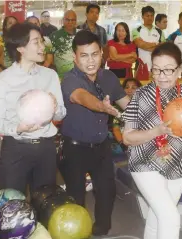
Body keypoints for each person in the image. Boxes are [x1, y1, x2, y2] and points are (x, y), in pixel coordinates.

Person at [122, 42, 182, 239]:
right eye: (157, 70)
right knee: (170, 217)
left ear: (179, 70)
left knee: (156, 218)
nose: (162, 76)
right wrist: (157, 131)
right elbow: (127, 137)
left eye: (168, 70)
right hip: (145, 164)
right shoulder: (141, 96)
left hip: (178, 165)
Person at [59, 30, 130, 236]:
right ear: (75, 57)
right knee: (76, 198)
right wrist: (102, 106)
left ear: (102, 53)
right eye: (84, 55)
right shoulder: (69, 80)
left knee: (107, 192)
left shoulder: (108, 77)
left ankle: (100, 230)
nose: (90, 61)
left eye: (95, 54)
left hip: (101, 146)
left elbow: (127, 104)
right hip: (74, 148)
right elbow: (82, 98)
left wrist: (150, 113)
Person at [0, 23, 66, 194]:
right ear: (21, 48)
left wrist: (54, 108)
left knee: (45, 204)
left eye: (42, 42)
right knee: (14, 206)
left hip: (46, 149)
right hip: (16, 149)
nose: (42, 47)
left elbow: (61, 114)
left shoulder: (50, 75)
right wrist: (17, 128)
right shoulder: (1, 81)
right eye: (36, 42)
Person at [44, 10, 77, 79]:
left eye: (73, 20)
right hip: (62, 76)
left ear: (76, 21)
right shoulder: (54, 36)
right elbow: (49, 60)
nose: (70, 22)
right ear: (63, 20)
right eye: (67, 20)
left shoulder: (81, 35)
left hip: (81, 75)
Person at [132, 6, 165, 72]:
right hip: (140, 66)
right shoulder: (136, 30)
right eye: (147, 16)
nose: (150, 18)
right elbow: (140, 44)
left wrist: (145, 45)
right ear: (142, 16)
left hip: (157, 67)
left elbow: (162, 48)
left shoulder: (159, 31)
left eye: (151, 16)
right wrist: (156, 44)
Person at [112, 78, 142, 146]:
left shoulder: (144, 107)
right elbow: (116, 128)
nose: (129, 90)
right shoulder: (118, 109)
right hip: (123, 142)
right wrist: (122, 143)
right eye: (126, 87)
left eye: (133, 87)